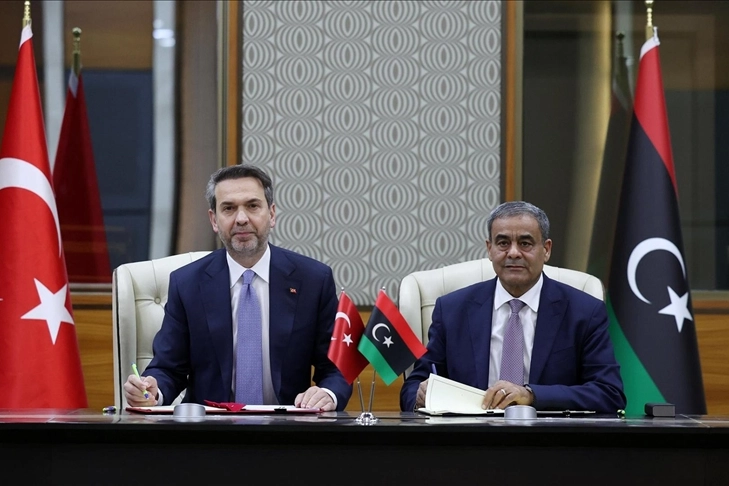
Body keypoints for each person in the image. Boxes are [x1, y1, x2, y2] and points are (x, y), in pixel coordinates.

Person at [124, 165, 351, 411]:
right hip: (210, 427)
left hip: (287, 425)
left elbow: (335, 368)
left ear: (271, 214)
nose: (241, 219)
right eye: (229, 208)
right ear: (214, 220)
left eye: (252, 206)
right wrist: (153, 391)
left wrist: (327, 394)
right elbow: (168, 368)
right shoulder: (187, 283)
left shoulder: (313, 280)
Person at [401, 201, 626, 413]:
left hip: (550, 436)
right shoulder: (452, 310)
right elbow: (412, 387)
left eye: (525, 243)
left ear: (546, 250)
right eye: (503, 243)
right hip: (470, 435)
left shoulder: (584, 312)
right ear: (489, 249)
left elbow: (609, 393)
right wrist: (421, 395)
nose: (514, 253)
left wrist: (531, 396)